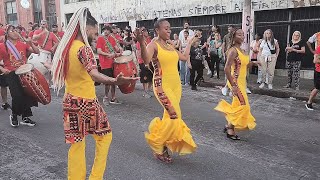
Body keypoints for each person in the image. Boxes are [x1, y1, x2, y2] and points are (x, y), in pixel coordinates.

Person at [51, 8, 138, 179]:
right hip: (86, 102)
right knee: (105, 137)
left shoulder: (67, 47)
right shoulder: (83, 49)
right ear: (86, 28)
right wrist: (114, 81)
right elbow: (93, 73)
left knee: (77, 145)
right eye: (94, 31)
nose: (95, 35)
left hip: (70, 101)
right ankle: (95, 177)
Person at [135, 19, 197, 163]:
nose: (169, 31)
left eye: (170, 29)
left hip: (176, 86)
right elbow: (146, 59)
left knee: (168, 117)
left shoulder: (169, 45)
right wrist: (141, 42)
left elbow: (184, 57)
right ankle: (158, 144)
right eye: (166, 28)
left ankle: (161, 146)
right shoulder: (153, 45)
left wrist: (190, 42)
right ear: (157, 30)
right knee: (175, 115)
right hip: (162, 85)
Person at [214, 28, 259, 140]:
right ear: (233, 37)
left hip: (242, 82)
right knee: (243, 105)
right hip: (235, 82)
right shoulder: (233, 50)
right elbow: (226, 68)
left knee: (237, 105)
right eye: (239, 34)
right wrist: (233, 85)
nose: (242, 36)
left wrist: (254, 63)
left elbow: (245, 65)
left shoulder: (243, 50)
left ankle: (229, 125)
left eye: (243, 34)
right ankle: (230, 128)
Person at [0, 25, 40, 127]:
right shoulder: (2, 46)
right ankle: (14, 115)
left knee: (27, 95)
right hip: (11, 73)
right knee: (17, 96)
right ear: (7, 34)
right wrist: (2, 69)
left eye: (16, 31)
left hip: (24, 72)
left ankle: (25, 117)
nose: (15, 32)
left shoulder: (23, 44)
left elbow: (37, 51)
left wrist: (29, 41)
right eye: (12, 31)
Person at [96, 25, 122, 105]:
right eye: (105, 30)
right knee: (107, 81)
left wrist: (119, 50)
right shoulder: (101, 38)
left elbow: (116, 49)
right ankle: (105, 97)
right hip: (105, 63)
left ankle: (113, 98)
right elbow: (99, 51)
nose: (106, 31)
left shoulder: (112, 38)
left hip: (113, 63)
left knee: (114, 80)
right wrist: (108, 54)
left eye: (107, 30)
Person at [136, 28, 153, 98]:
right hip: (143, 61)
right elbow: (139, 53)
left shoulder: (150, 40)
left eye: (146, 31)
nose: (145, 33)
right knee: (145, 77)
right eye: (144, 32)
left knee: (151, 76)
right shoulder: (139, 42)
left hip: (150, 61)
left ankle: (148, 89)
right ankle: (145, 91)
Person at [305, 31, 320, 110]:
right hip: (319, 70)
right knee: (317, 88)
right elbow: (315, 61)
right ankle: (309, 103)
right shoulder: (319, 48)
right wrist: (312, 51)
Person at [221, 25, 234, 96]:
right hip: (227, 55)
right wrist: (223, 54)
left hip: (234, 55)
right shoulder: (226, 36)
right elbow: (223, 45)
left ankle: (230, 88)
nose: (230, 31)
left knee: (233, 71)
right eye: (229, 29)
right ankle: (227, 87)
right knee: (227, 71)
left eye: (231, 29)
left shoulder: (235, 37)